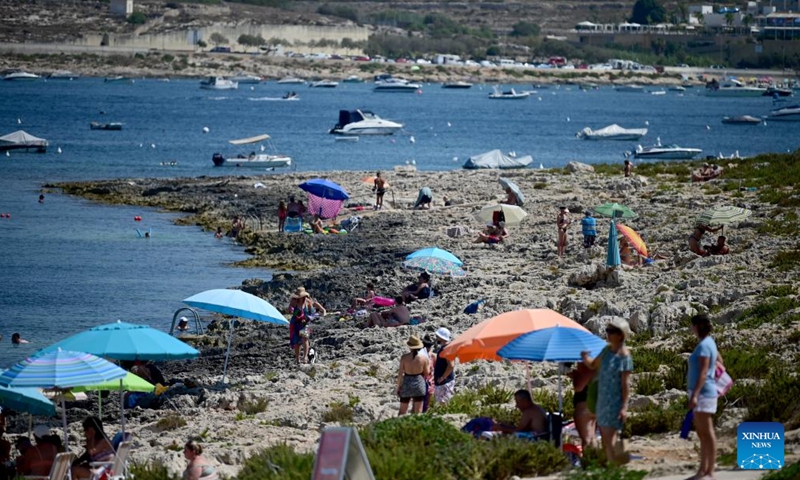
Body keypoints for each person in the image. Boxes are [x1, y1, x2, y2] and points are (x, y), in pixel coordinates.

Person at [581, 318, 633, 466]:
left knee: (610, 439)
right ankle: (612, 467)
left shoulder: (624, 356)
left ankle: (613, 469)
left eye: (612, 331)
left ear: (621, 334)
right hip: (602, 400)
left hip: (614, 402)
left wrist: (624, 407)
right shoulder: (606, 351)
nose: (608, 334)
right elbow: (593, 365)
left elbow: (625, 384)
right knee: (605, 438)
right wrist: (585, 357)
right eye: (607, 331)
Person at [687, 314, 721, 480]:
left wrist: (694, 395)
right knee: (702, 432)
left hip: (703, 393)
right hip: (704, 392)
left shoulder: (704, 346)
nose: (690, 327)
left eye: (692, 325)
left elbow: (703, 372)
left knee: (706, 431)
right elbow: (720, 363)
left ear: (697, 326)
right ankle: (704, 469)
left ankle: (709, 470)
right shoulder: (709, 343)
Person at [288, 287, 326, 365]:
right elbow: (289, 310)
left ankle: (305, 357)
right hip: (295, 323)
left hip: (305, 323)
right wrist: (292, 310)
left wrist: (323, 311)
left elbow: (315, 308)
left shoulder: (308, 301)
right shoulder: (294, 301)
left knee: (305, 338)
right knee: (297, 343)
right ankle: (298, 359)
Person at [396, 336, 431, 415]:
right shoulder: (424, 358)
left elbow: (400, 374)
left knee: (402, 411)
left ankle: (399, 426)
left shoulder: (404, 358)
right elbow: (426, 373)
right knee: (418, 411)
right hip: (419, 382)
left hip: (407, 383)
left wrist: (398, 386)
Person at [567, 362, 597, 449]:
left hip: (585, 403)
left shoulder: (586, 365)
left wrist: (576, 376)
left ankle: (589, 460)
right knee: (592, 437)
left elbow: (578, 387)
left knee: (586, 439)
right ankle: (596, 460)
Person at [433, 327, 455, 404]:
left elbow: (451, 365)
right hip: (444, 381)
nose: (436, 338)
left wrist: (443, 377)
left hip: (445, 382)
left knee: (443, 403)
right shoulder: (446, 348)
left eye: (437, 336)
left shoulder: (447, 349)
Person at [421, 335, 437, 412]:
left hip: (430, 381)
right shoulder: (421, 356)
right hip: (423, 381)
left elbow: (436, 368)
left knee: (427, 402)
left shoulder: (432, 356)